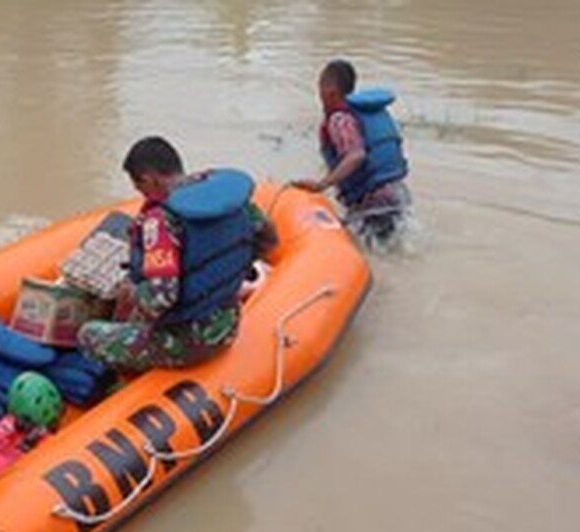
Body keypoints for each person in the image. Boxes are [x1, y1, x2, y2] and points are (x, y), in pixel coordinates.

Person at [78, 136, 277, 373]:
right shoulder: (229, 201)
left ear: (149, 179)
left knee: (88, 333)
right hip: (228, 323)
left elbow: (160, 299)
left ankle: (119, 381)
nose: (143, 195)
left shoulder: (161, 223)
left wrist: (131, 292)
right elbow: (269, 240)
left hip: (187, 342)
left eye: (140, 187)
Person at [292, 59, 411, 244]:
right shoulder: (362, 114)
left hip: (373, 205)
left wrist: (322, 185)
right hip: (397, 197)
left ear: (330, 91)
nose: (318, 93)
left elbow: (356, 155)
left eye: (320, 86)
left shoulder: (339, 120)